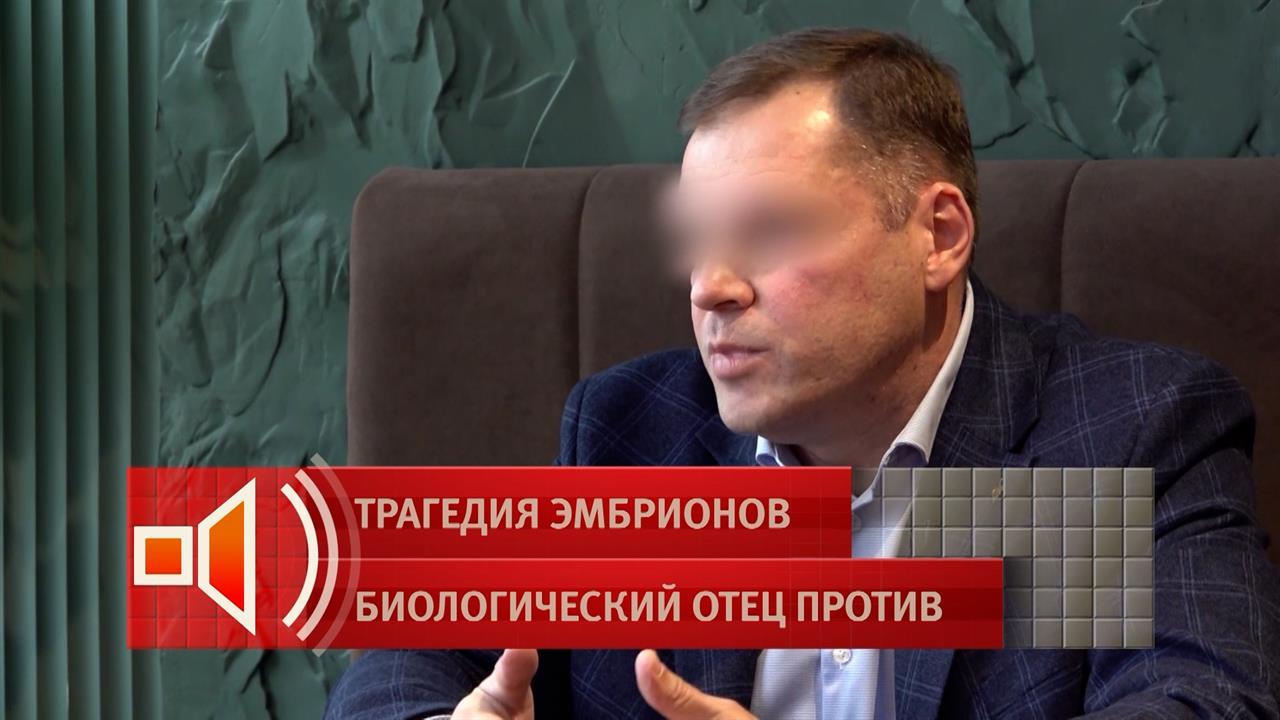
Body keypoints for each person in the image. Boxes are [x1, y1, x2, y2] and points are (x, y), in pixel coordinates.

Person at [327, 28, 1280, 719]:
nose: (710, 287)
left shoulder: (1118, 437)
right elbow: (409, 652)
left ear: (938, 236)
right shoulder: (635, 432)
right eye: (698, 243)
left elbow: (1199, 702)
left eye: (770, 231)